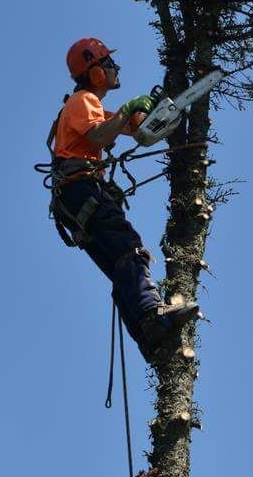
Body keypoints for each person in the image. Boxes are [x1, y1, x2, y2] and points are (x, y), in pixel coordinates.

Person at [48, 37, 197, 360]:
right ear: (95, 72)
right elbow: (99, 134)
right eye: (109, 64)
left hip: (72, 199)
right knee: (129, 249)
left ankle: (149, 337)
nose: (115, 69)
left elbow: (126, 129)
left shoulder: (93, 107)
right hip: (81, 188)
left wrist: (148, 116)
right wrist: (130, 108)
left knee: (119, 264)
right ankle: (152, 313)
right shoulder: (83, 100)